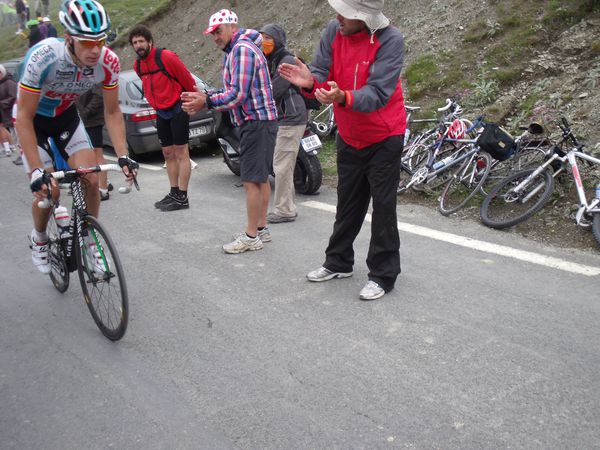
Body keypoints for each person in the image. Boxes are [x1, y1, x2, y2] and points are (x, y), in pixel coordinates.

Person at [279, 0, 406, 301]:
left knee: (383, 207)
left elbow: (377, 93)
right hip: (350, 134)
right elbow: (321, 72)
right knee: (347, 201)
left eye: (346, 14)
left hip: (385, 135)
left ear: (365, 18)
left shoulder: (391, 40)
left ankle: (383, 275)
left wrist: (343, 96)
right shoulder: (333, 31)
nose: (338, 17)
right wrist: (311, 83)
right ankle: (338, 262)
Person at [16, 0, 138, 275]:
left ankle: (89, 240)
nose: (95, 50)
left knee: (92, 179)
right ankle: (39, 237)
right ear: (69, 38)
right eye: (86, 43)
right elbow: (23, 116)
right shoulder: (44, 57)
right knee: (50, 190)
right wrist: (36, 170)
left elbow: (113, 110)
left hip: (65, 118)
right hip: (32, 120)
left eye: (101, 41)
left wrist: (122, 154)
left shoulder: (108, 61)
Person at [181, 9, 278, 254]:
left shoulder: (241, 50)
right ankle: (261, 228)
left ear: (232, 27)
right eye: (212, 33)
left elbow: (237, 95)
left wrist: (207, 101)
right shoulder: (240, 48)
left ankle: (251, 236)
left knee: (251, 181)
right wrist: (208, 96)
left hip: (254, 122)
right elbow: (234, 90)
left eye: (218, 31)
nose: (215, 37)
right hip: (260, 121)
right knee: (260, 177)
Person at [128, 24, 196, 211]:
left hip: (178, 107)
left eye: (141, 41)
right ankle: (174, 192)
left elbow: (188, 80)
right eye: (135, 42)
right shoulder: (138, 65)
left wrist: (191, 102)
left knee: (182, 152)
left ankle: (183, 196)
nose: (138, 45)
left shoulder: (166, 57)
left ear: (150, 42)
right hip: (161, 112)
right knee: (168, 153)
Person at [259, 23, 308, 224]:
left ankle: (285, 210)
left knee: (281, 166)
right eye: (261, 38)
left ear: (277, 40)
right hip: (287, 117)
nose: (264, 42)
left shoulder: (285, 61)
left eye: (268, 38)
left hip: (291, 118)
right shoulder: (273, 60)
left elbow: (274, 91)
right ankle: (287, 207)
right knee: (284, 164)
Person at [76, 84, 112, 200]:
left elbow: (99, 96)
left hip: (92, 120)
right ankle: (104, 182)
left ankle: (103, 190)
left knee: (97, 153)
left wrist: (85, 113)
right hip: (83, 120)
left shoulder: (94, 74)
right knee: (89, 153)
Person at [0, 64, 18, 156]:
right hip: (5, 112)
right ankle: (9, 148)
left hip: (12, 112)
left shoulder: (9, 83)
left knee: (15, 133)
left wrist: (1, 103)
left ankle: (12, 148)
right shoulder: (2, 83)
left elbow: (13, 97)